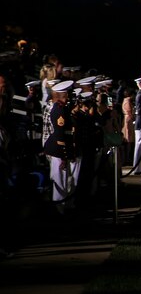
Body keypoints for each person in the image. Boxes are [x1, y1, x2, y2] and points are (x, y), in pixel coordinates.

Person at [42, 79, 75, 213]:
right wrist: (63, 156)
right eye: (66, 95)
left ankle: (62, 207)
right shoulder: (59, 110)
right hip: (58, 151)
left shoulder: (62, 108)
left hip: (59, 150)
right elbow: (60, 135)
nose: (68, 97)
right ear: (60, 96)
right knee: (59, 181)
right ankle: (58, 209)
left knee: (63, 180)